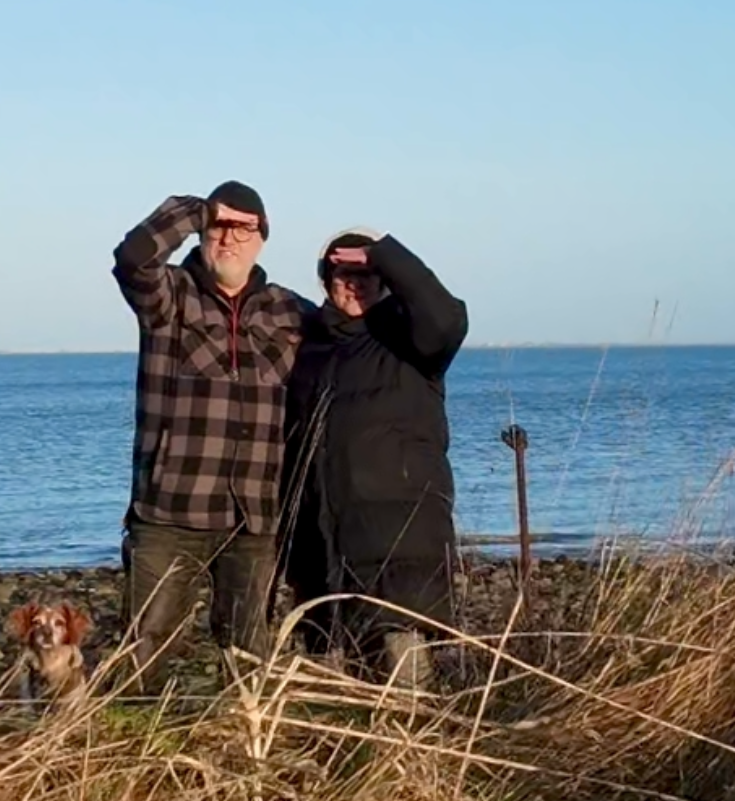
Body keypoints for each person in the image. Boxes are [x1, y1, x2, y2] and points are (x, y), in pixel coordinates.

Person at [110, 180, 313, 690]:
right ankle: (131, 749)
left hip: (255, 518)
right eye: (219, 226)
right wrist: (196, 210)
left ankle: (248, 751)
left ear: (263, 238)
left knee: (250, 654)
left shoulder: (291, 312)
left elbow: (354, 347)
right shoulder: (169, 298)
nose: (230, 238)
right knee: (143, 647)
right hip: (169, 512)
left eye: (244, 228)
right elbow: (133, 257)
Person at [278, 227, 468, 687]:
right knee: (340, 703)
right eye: (344, 274)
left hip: (399, 555)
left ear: (385, 281)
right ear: (327, 282)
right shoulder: (311, 351)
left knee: (406, 698)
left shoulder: (409, 340)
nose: (355, 284)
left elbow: (448, 318)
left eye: (367, 275)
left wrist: (385, 253)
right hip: (326, 561)